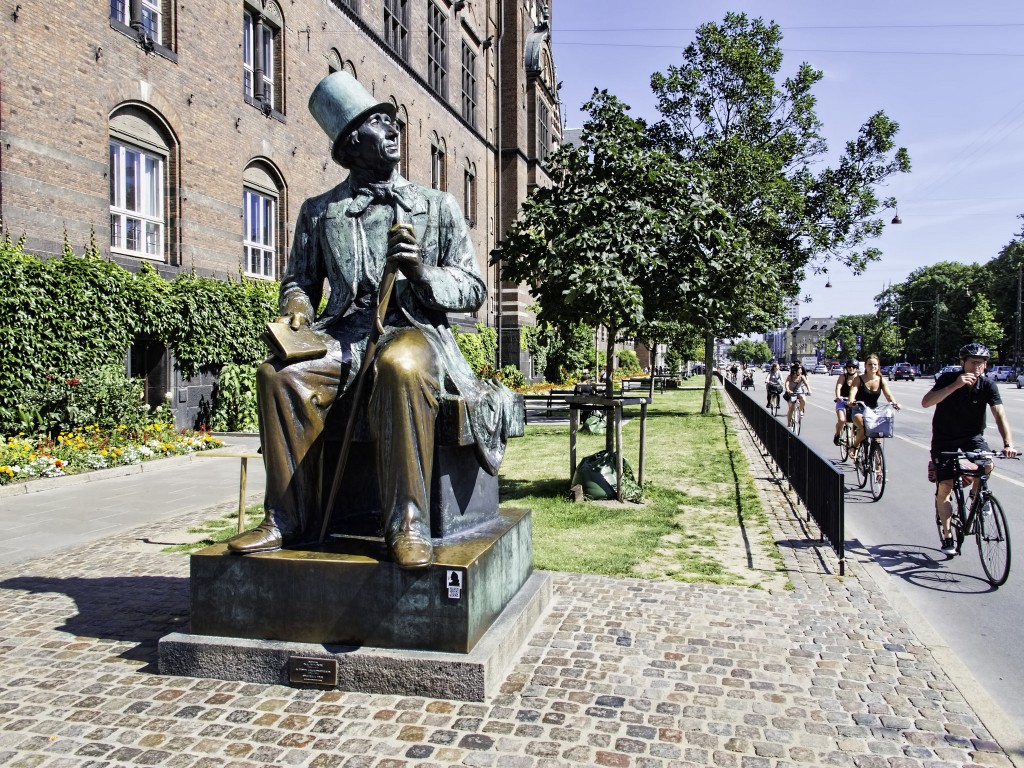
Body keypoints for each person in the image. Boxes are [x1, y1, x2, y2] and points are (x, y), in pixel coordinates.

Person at [227, 71, 514, 569]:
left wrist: (421, 273)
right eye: (380, 123)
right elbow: (298, 281)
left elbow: (472, 288)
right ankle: (286, 518)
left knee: (401, 364)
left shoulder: (436, 206)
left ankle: (407, 523)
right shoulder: (321, 211)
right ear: (351, 142)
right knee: (277, 375)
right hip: (343, 336)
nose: (394, 130)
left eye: (392, 122)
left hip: (416, 333)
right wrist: (297, 310)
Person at [921, 343, 1017, 555]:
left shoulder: (988, 385)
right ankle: (947, 537)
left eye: (982, 363)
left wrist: (1008, 443)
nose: (977, 367)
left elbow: (999, 414)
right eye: (973, 362)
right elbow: (926, 403)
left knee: (988, 463)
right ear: (962, 363)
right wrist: (955, 385)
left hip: (972, 436)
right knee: (945, 486)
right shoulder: (947, 379)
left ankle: (976, 496)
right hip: (944, 438)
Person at [846, 354, 900, 459]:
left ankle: (877, 464)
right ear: (865, 366)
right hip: (859, 409)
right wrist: (851, 401)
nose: (873, 366)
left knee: (878, 436)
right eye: (870, 364)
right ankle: (854, 447)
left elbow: (888, 395)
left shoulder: (881, 380)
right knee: (865, 428)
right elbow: (853, 391)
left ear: (878, 366)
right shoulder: (859, 379)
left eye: (875, 364)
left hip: (874, 411)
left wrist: (894, 403)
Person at [832, 359, 860, 446]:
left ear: (857, 368)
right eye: (849, 367)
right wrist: (838, 396)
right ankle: (837, 434)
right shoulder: (843, 377)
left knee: (859, 423)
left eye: (854, 367)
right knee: (842, 420)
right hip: (842, 401)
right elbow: (838, 387)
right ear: (846, 368)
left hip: (855, 403)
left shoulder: (859, 378)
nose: (851, 369)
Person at [784, 362, 811, 427]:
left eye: (801, 369)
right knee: (791, 408)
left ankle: (800, 410)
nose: (801, 371)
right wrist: (788, 390)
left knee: (803, 398)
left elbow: (807, 384)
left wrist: (809, 390)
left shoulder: (802, 376)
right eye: (799, 370)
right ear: (795, 371)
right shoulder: (790, 377)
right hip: (792, 393)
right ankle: (789, 422)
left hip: (799, 392)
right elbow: (786, 383)